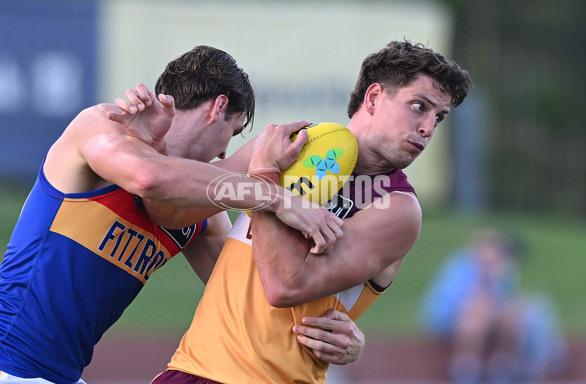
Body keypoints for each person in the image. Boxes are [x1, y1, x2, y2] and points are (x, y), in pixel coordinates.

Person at [0, 45, 359, 384]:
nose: (223, 155)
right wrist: (275, 197)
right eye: (231, 133)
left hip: (59, 373)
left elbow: (252, 295)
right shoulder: (102, 123)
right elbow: (149, 178)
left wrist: (344, 333)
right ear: (218, 107)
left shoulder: (204, 213)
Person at [145, 40, 473, 383]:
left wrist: (264, 180)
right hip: (189, 371)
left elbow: (285, 286)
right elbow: (173, 207)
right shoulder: (287, 144)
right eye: (419, 106)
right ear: (374, 97)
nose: (428, 128)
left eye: (439, 117)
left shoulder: (395, 208)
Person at [419, 228, 568, 383]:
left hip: (489, 322)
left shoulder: (501, 271)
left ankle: (502, 368)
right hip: (448, 320)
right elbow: (459, 304)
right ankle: (466, 370)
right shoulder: (460, 267)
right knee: (477, 314)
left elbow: (506, 301)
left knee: (513, 315)